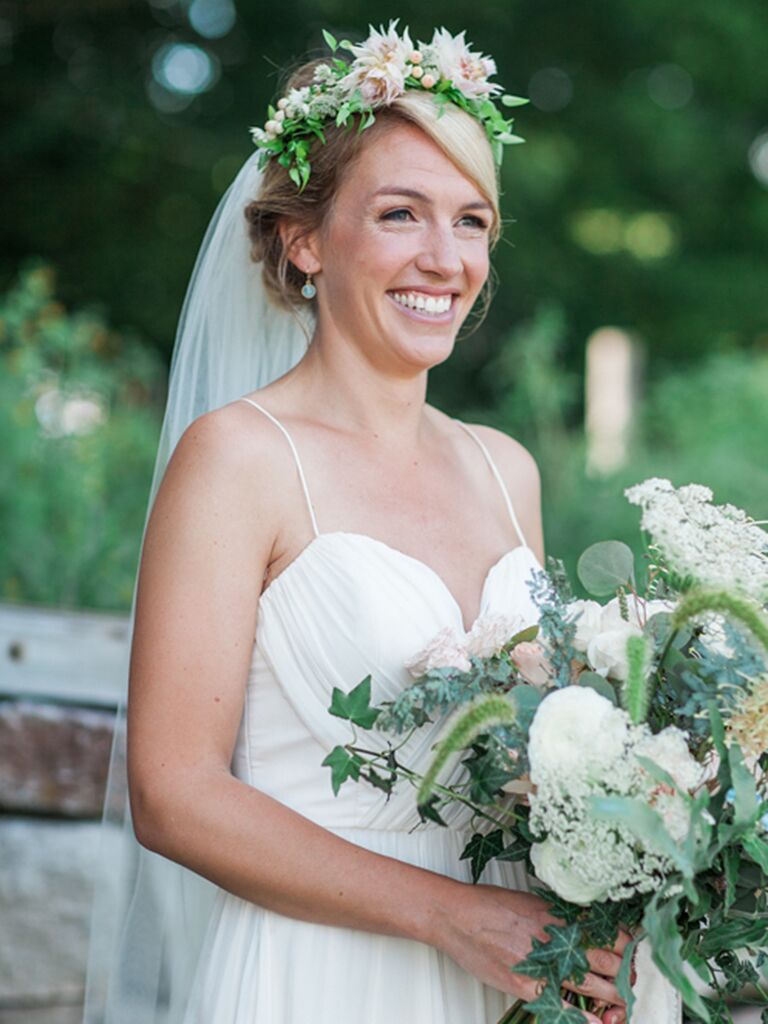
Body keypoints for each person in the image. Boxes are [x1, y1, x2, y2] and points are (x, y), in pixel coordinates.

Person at [84, 22, 681, 1024]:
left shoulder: (505, 468)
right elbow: (172, 790)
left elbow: (538, 754)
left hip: (510, 976)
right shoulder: (239, 457)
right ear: (303, 237)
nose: (444, 260)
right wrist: (455, 919)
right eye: (401, 214)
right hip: (319, 972)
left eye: (472, 221)